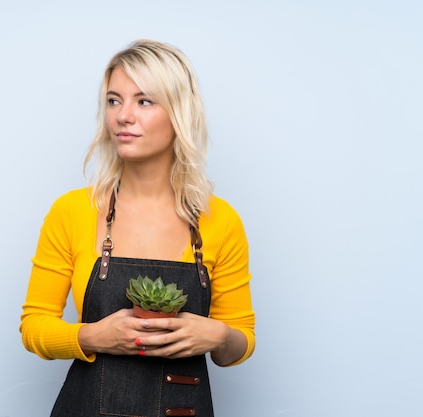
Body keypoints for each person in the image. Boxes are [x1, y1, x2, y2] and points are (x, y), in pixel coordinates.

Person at [20, 39, 255, 417]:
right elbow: (34, 326)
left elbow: (240, 342)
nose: (123, 116)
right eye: (114, 100)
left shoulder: (219, 220)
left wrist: (220, 336)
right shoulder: (72, 211)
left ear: (179, 112)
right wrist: (95, 336)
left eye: (144, 101)